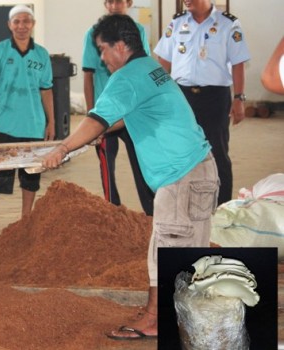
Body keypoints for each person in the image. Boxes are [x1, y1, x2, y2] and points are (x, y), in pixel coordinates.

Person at [43, 14, 219, 340]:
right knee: (167, 250)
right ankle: (163, 315)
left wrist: (62, 149)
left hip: (183, 177)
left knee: (170, 253)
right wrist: (101, 130)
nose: (102, 59)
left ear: (120, 46)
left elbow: (96, 118)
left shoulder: (125, 77)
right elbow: (125, 115)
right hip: (194, 172)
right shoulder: (149, 68)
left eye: (103, 50)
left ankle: (160, 321)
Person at [154, 0, 250, 205]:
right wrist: (160, 95)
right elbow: (163, 61)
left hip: (215, 97)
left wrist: (239, 98)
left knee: (218, 152)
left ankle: (222, 207)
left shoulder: (228, 24)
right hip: (181, 96)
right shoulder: (177, 23)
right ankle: (183, 203)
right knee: (180, 151)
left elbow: (238, 63)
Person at [0, 4, 55, 238]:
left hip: (33, 124)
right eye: (16, 21)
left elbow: (47, 91)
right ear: (9, 25)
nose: (21, 26)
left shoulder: (41, 55)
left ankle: (26, 222)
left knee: (31, 178)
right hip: (4, 124)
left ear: (33, 25)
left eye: (26, 21)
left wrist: (51, 122)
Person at [82, 0, 154, 216]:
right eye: (110, 1)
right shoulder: (93, 34)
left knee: (142, 165)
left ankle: (151, 214)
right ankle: (113, 213)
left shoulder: (138, 31)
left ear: (129, 3)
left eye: (119, 1)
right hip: (106, 114)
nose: (114, 5)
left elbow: (143, 68)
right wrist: (92, 115)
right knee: (106, 167)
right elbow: (88, 75)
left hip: (132, 112)